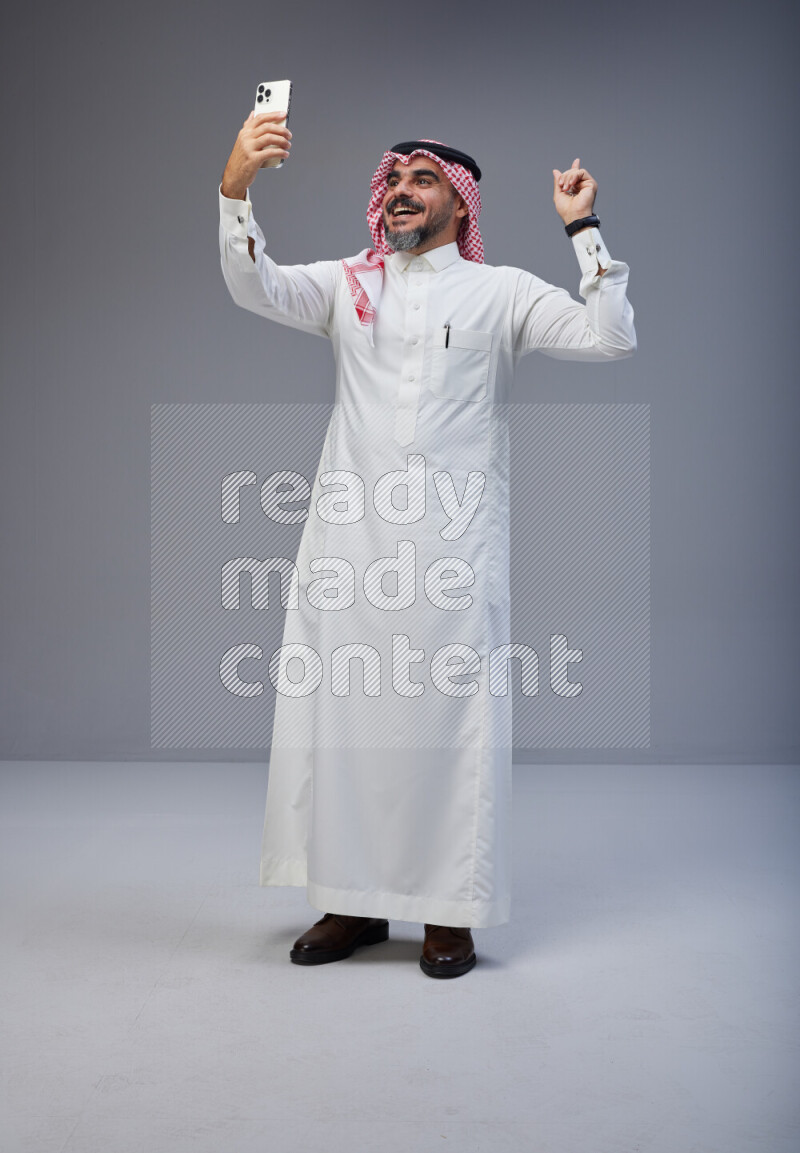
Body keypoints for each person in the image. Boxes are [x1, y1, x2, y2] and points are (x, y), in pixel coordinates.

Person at [219, 110, 636, 979]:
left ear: (461, 203)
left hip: (452, 553)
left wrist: (584, 229)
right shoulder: (349, 284)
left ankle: (450, 913)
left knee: (449, 727)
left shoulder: (501, 292)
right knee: (346, 723)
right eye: (395, 180)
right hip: (350, 546)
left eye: (424, 180)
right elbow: (255, 287)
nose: (402, 193)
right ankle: (351, 901)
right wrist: (235, 190)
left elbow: (611, 337)